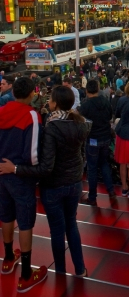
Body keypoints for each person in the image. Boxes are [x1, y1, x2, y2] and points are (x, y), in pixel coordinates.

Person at [0, 85, 90, 278]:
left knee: (57, 230)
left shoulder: (51, 127)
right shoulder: (80, 123)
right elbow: (81, 156)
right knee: (72, 225)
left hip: (54, 186)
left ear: (55, 103)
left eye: (50, 100)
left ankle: (59, 272)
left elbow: (45, 167)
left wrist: (15, 169)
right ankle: (80, 269)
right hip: (74, 183)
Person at [0, 77, 47, 292]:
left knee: (6, 214)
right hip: (20, 176)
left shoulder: (2, 110)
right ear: (31, 94)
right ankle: (26, 275)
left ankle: (8, 257)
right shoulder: (32, 116)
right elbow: (34, 156)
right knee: (25, 221)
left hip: (1, 172)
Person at [78, 79, 115, 206]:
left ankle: (92, 197)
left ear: (87, 90)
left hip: (93, 139)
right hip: (105, 138)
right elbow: (110, 116)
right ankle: (111, 191)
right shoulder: (105, 101)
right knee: (104, 164)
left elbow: (79, 120)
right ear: (98, 89)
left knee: (92, 168)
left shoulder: (85, 105)